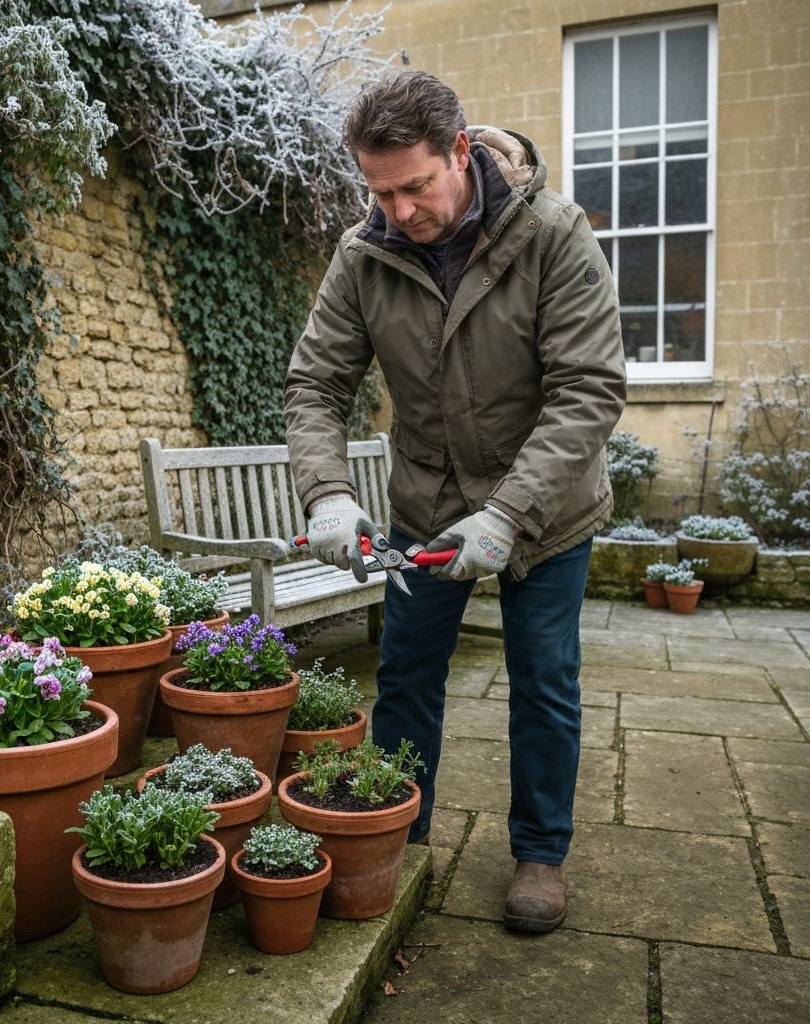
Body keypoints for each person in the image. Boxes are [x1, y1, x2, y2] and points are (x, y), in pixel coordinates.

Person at [283, 70, 626, 933]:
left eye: (415, 185)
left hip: (545, 511)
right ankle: (406, 833)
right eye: (380, 191)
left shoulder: (553, 235)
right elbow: (317, 384)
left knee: (543, 680)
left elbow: (588, 389)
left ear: (461, 153)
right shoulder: (364, 257)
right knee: (405, 676)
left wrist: (508, 514)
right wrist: (326, 493)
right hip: (428, 503)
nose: (398, 210)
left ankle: (540, 855)